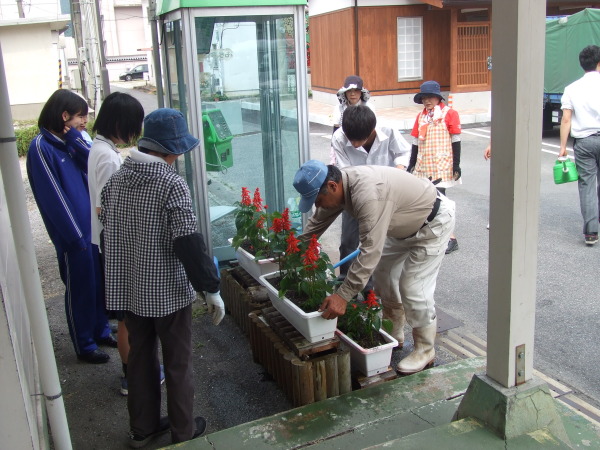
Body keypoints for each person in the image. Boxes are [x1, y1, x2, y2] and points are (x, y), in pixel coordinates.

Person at [100, 108, 225, 447]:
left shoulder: (116, 179)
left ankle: (142, 430)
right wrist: (210, 287)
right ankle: (182, 434)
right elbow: (187, 241)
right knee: (178, 364)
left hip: (129, 290)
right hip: (167, 293)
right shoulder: (171, 183)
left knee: (139, 360)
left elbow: (106, 226)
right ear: (173, 150)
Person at [293, 160, 455, 375]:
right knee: (384, 278)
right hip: (399, 229)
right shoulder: (339, 185)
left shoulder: (368, 194)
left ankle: (425, 350)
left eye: (318, 200)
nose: (318, 206)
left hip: (432, 224)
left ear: (332, 186)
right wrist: (291, 251)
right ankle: (394, 333)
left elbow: (369, 251)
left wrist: (343, 296)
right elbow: (316, 223)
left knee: (413, 287)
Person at [26, 89, 113, 364]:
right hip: (73, 236)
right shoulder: (41, 147)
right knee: (80, 289)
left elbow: (93, 167)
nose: (85, 121)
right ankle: (84, 343)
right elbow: (53, 198)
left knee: (98, 283)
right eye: (81, 116)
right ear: (65, 115)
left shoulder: (68, 142)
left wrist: (76, 140)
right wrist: (75, 236)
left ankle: (100, 330)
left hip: (91, 231)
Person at [88, 91, 153, 395]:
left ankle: (133, 371)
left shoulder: (99, 148)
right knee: (129, 316)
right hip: (115, 243)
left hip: (106, 240)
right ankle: (131, 375)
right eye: (134, 124)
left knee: (127, 314)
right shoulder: (109, 157)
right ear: (122, 123)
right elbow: (108, 206)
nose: (136, 132)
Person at [332, 105, 410, 298]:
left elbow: (403, 152)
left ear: (372, 130)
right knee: (348, 241)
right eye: (352, 140)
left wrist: (398, 170)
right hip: (353, 195)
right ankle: (344, 282)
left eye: (361, 139)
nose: (356, 145)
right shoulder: (339, 137)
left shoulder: (388, 130)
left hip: (385, 195)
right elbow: (346, 171)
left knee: (374, 244)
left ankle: (370, 290)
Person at [408, 80, 462, 254]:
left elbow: (456, 140)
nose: (427, 101)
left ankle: (450, 238)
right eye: (424, 98)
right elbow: (415, 142)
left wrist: (456, 164)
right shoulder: (421, 117)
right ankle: (431, 234)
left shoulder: (449, 114)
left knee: (441, 200)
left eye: (430, 97)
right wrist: (411, 164)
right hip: (424, 164)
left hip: (441, 164)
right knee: (425, 199)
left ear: (438, 97)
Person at [559, 45, 600, 246]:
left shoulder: (571, 88)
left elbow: (566, 119)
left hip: (584, 141)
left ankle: (591, 232)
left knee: (587, 185)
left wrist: (562, 148)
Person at [330, 75, 375, 164]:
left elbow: (373, 130)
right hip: (344, 144)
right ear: (345, 92)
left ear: (361, 92)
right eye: (349, 91)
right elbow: (335, 131)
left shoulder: (369, 108)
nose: (352, 94)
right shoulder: (339, 109)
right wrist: (333, 154)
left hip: (364, 145)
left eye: (356, 91)